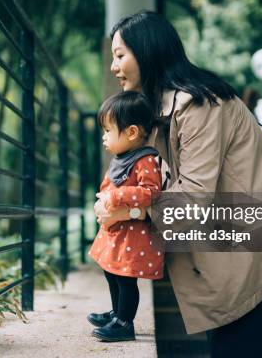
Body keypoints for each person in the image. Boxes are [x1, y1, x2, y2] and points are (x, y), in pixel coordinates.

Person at [95, 11, 262, 358]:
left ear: (147, 52)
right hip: (221, 260)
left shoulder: (200, 105)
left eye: (120, 55)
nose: (113, 67)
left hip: (244, 258)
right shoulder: (164, 111)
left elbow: (194, 194)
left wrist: (129, 208)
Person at [87, 91, 164, 342]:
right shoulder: (123, 158)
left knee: (126, 278)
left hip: (132, 236)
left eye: (108, 130)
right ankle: (116, 312)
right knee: (111, 272)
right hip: (117, 233)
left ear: (131, 132)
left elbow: (151, 192)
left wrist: (117, 197)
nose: (103, 137)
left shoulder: (145, 160)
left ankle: (124, 322)